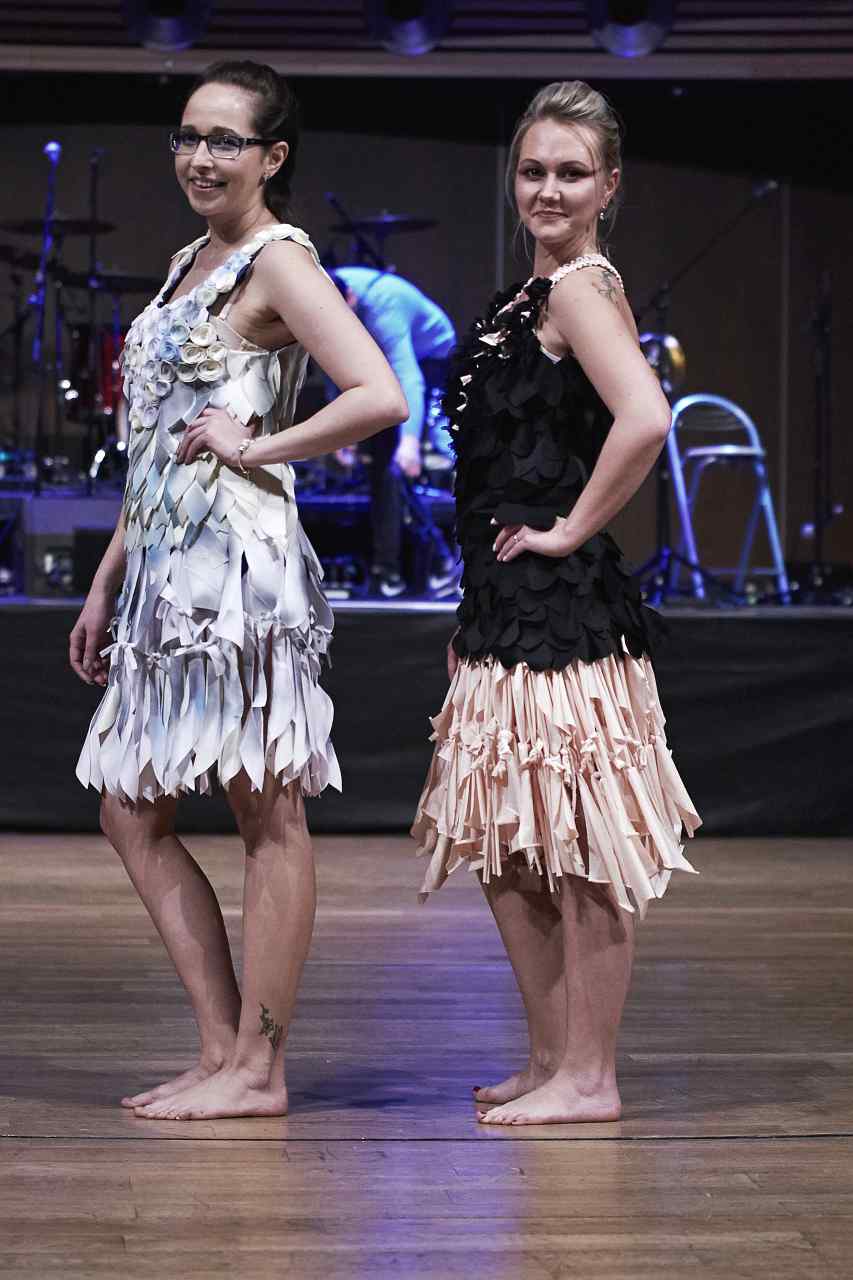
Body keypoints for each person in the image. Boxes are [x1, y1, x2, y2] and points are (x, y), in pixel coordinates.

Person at [69, 60, 407, 1121]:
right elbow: (157, 443)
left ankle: (258, 1068)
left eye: (225, 140)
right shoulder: (189, 261)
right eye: (188, 136)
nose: (200, 157)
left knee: (266, 806)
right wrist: (106, 577)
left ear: (273, 156)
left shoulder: (279, 260)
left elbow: (380, 394)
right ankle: (222, 1049)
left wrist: (259, 447)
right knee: (130, 809)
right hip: (164, 577)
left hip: (238, 573)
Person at [411, 81, 700, 1126]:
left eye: (571, 172)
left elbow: (645, 417)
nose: (547, 188)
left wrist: (572, 528)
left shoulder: (580, 287)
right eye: (532, 169)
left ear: (607, 185)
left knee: (575, 845)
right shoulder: (526, 297)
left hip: (561, 610)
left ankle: (589, 1073)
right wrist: (474, 617)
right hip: (505, 605)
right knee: (510, 845)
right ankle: (550, 1058)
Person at [330, 266, 456, 597]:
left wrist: (410, 442)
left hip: (430, 358)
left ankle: (434, 563)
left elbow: (408, 376)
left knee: (395, 466)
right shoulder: (324, 294)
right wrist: (345, 435)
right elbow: (340, 368)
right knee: (379, 470)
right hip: (385, 370)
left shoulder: (383, 309)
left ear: (351, 299)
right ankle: (390, 570)